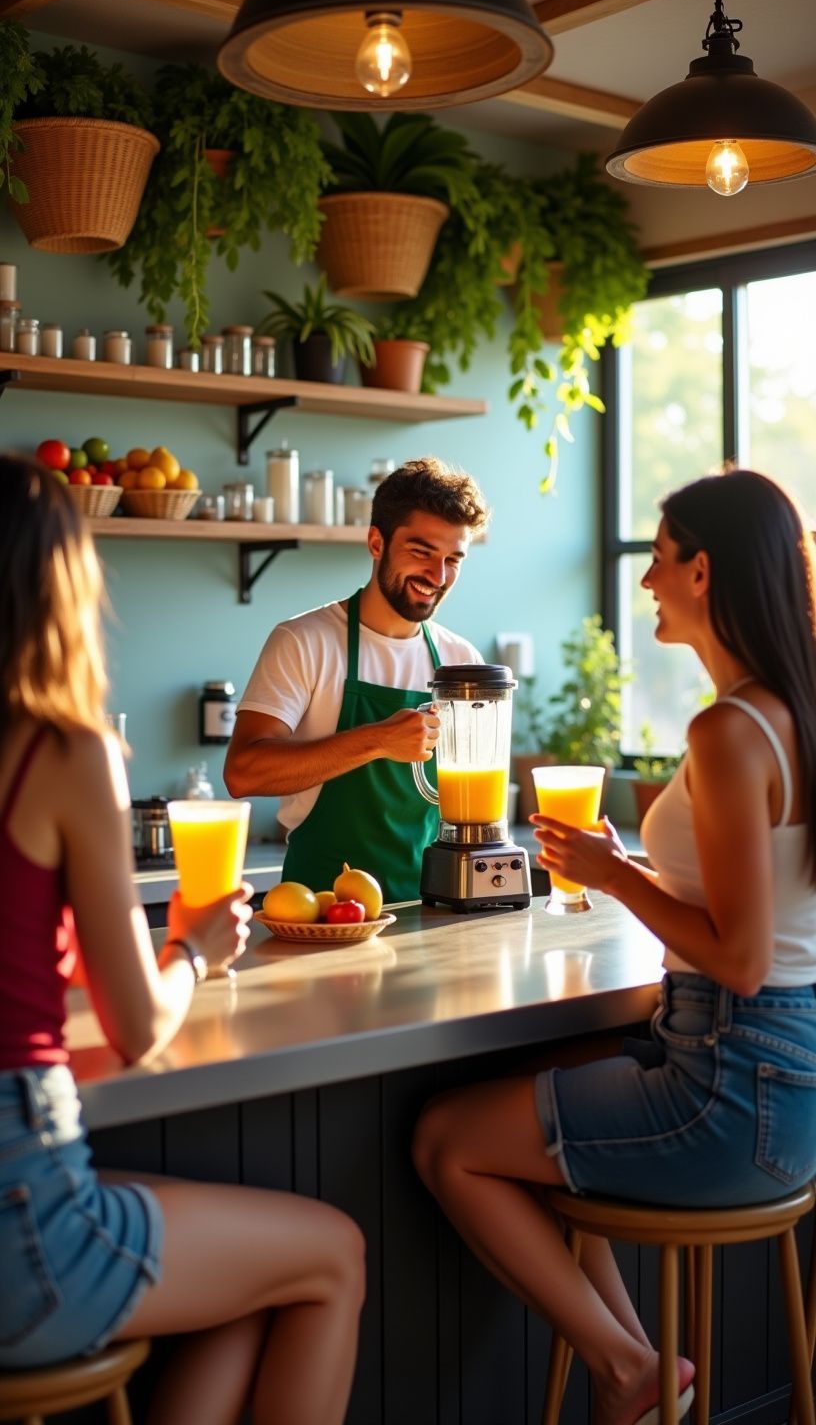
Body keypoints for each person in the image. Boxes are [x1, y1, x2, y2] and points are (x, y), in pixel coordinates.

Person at [412, 469, 816, 1425]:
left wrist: (616, 874)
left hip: (730, 1080)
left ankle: (626, 1367)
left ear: (704, 572)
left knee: (447, 1143)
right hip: (789, 1085)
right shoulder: (793, 711)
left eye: (661, 560)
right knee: (552, 1076)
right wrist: (632, 869)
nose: (646, 582)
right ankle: (640, 1363)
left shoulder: (729, 731)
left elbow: (743, 959)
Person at [0, 456, 365, 1425]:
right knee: (330, 1257)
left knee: (235, 1298)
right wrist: (197, 948)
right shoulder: (60, 750)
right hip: (19, 1223)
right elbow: (136, 1030)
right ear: (59, 586)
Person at [224, 456, 490, 903]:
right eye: (421, 552)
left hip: (430, 911)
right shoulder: (303, 641)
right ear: (375, 542)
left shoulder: (460, 661)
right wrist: (378, 741)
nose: (437, 576)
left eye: (453, 560)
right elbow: (242, 773)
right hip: (319, 913)